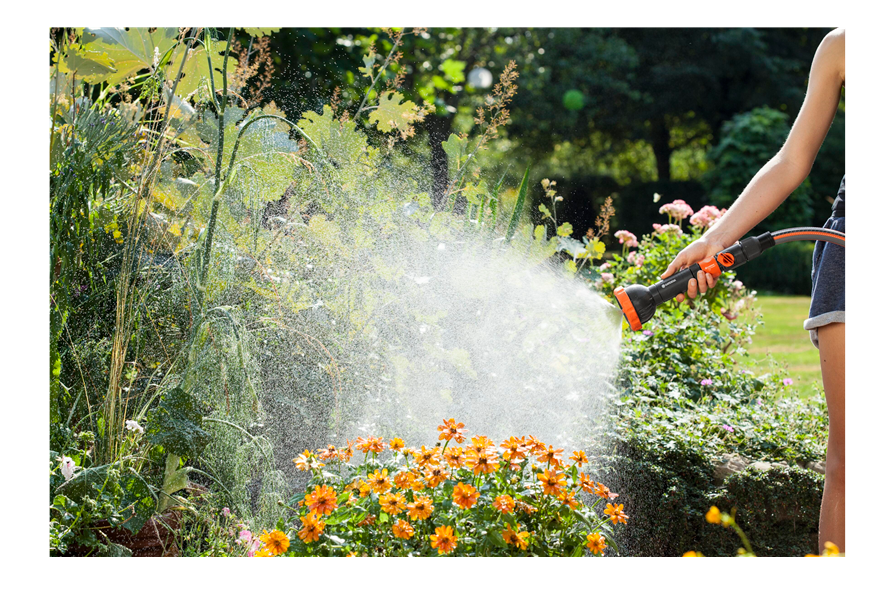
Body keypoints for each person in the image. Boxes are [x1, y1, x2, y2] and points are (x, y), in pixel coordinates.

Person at [661, 28, 845, 553]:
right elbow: (791, 160)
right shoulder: (846, 44)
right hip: (854, 246)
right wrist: (717, 237)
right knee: (853, 454)